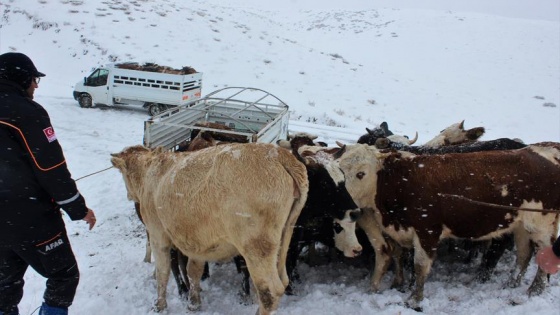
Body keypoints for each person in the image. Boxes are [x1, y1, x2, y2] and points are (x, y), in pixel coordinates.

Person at [0, 52, 96, 315]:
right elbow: (51, 168)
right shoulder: (26, 113)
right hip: (30, 216)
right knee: (64, 276)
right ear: (21, 78)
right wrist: (78, 209)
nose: (35, 86)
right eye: (33, 80)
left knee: (4, 283)